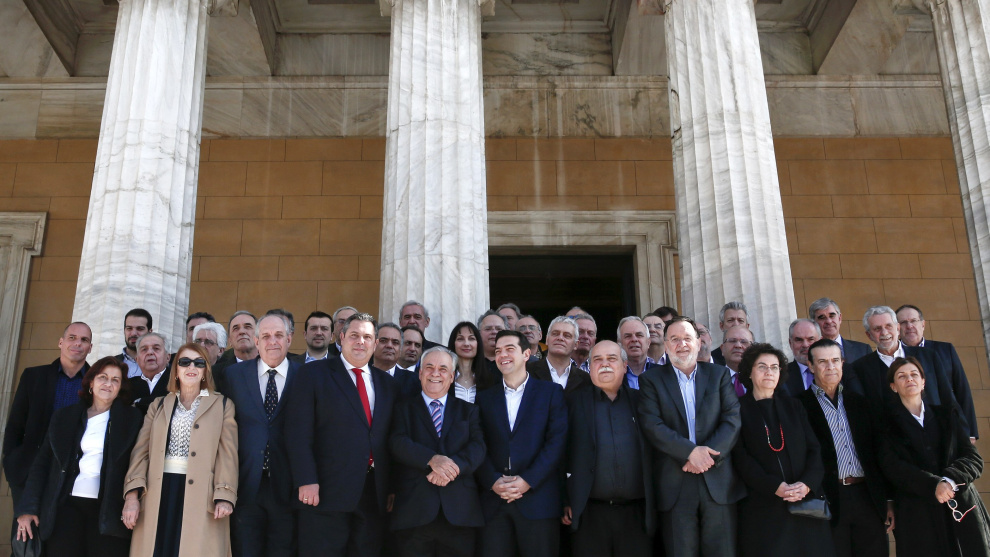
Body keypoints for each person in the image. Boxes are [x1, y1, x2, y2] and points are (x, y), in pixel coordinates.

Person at [284, 312, 399, 557]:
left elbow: (389, 438)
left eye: (367, 337)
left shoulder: (388, 384)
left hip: (372, 493)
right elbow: (298, 432)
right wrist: (306, 479)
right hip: (324, 492)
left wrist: (390, 487)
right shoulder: (312, 374)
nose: (360, 342)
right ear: (342, 338)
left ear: (375, 343)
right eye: (354, 335)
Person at [637, 316, 744, 557]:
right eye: (675, 339)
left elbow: (732, 420)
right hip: (675, 485)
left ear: (698, 343)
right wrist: (689, 453)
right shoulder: (650, 380)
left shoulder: (719, 375)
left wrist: (706, 457)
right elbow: (652, 425)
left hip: (717, 482)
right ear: (666, 345)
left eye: (687, 338)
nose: (682, 344)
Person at [14, 356, 142, 557]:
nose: (108, 384)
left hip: (109, 511)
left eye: (115, 380)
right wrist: (28, 508)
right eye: (103, 377)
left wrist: (133, 497)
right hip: (65, 508)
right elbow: (42, 464)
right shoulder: (64, 417)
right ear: (91, 382)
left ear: (120, 388)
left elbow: (138, 462)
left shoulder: (132, 419)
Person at [122, 342, 238, 557]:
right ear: (175, 369)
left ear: (205, 370)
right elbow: (141, 453)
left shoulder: (223, 405)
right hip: (159, 491)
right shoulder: (158, 405)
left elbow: (227, 455)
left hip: (202, 494)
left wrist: (225, 494)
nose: (191, 367)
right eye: (185, 362)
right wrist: (131, 496)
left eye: (199, 362)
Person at [731, 343, 835, 557]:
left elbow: (814, 450)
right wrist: (774, 487)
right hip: (764, 508)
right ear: (749, 372)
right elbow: (741, 458)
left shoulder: (794, 406)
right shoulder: (738, 409)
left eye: (774, 367)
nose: (769, 372)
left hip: (806, 504)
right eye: (762, 366)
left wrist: (806, 484)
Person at [880, 357, 990, 557]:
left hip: (961, 505)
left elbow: (973, 458)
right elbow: (893, 467)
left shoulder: (947, 415)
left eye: (914, 374)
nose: (909, 379)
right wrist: (934, 485)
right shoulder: (886, 426)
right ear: (893, 387)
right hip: (918, 514)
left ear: (923, 382)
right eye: (901, 376)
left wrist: (949, 480)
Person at [476, 330, 567, 557]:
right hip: (494, 503)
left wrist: (527, 480)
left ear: (526, 354)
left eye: (510, 349)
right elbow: (477, 443)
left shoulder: (550, 393)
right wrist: (493, 481)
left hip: (538, 501)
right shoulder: (484, 397)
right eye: (498, 351)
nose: (502, 355)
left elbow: (556, 443)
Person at [388, 347, 486, 557]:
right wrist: (431, 460)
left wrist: (451, 468)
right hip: (414, 511)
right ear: (420, 373)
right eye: (429, 367)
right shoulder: (402, 408)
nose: (435, 373)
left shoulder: (469, 410)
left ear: (452, 377)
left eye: (443, 369)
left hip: (459, 512)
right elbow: (397, 442)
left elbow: (478, 447)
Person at [798, 339, 892, 557]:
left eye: (835, 360)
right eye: (822, 362)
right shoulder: (798, 405)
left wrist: (888, 499)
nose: (830, 367)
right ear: (810, 366)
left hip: (867, 496)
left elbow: (880, 453)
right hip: (828, 497)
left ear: (842, 363)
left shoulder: (861, 403)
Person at [563, 341, 655, 557]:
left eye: (611, 359)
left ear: (624, 365)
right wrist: (564, 500)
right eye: (598, 360)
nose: (604, 364)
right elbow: (561, 453)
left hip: (637, 515)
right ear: (589, 367)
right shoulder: (571, 402)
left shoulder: (642, 402)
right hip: (588, 514)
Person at [224, 314, 301, 557]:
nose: (272, 341)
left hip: (289, 486)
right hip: (246, 484)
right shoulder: (234, 376)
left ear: (289, 339)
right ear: (256, 341)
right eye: (266, 336)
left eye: (279, 335)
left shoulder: (306, 375)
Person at [4, 322, 93, 524]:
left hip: (73, 475)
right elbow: (15, 426)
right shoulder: (33, 376)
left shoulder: (96, 383)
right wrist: (12, 463)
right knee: (26, 538)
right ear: (61, 342)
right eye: (72, 338)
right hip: (29, 471)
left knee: (62, 537)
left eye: (84, 340)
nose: (77, 343)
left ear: (90, 347)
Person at [896, 304, 978, 441]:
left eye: (913, 321)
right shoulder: (893, 356)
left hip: (947, 425)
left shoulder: (945, 350)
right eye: (903, 322)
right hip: (908, 430)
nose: (909, 326)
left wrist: (970, 432)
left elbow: (962, 389)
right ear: (897, 328)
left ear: (923, 324)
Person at [527, 316, 591, 395]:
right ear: (547, 340)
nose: (560, 338)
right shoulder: (526, 372)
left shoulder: (586, 379)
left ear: (576, 344)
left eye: (567, 335)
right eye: (555, 334)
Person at [446, 321, 496, 403]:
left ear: (478, 344)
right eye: (460, 339)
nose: (466, 343)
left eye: (471, 339)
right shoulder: (445, 378)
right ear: (453, 343)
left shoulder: (491, 378)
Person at [809, 297, 871, 362]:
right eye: (822, 318)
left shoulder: (863, 350)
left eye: (832, 316)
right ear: (814, 323)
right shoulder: (809, 352)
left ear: (839, 318)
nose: (829, 321)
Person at [129, 332, 171, 415]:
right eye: (144, 349)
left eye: (156, 348)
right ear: (137, 359)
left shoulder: (179, 382)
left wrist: (140, 402)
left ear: (167, 357)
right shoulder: (127, 386)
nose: (150, 352)